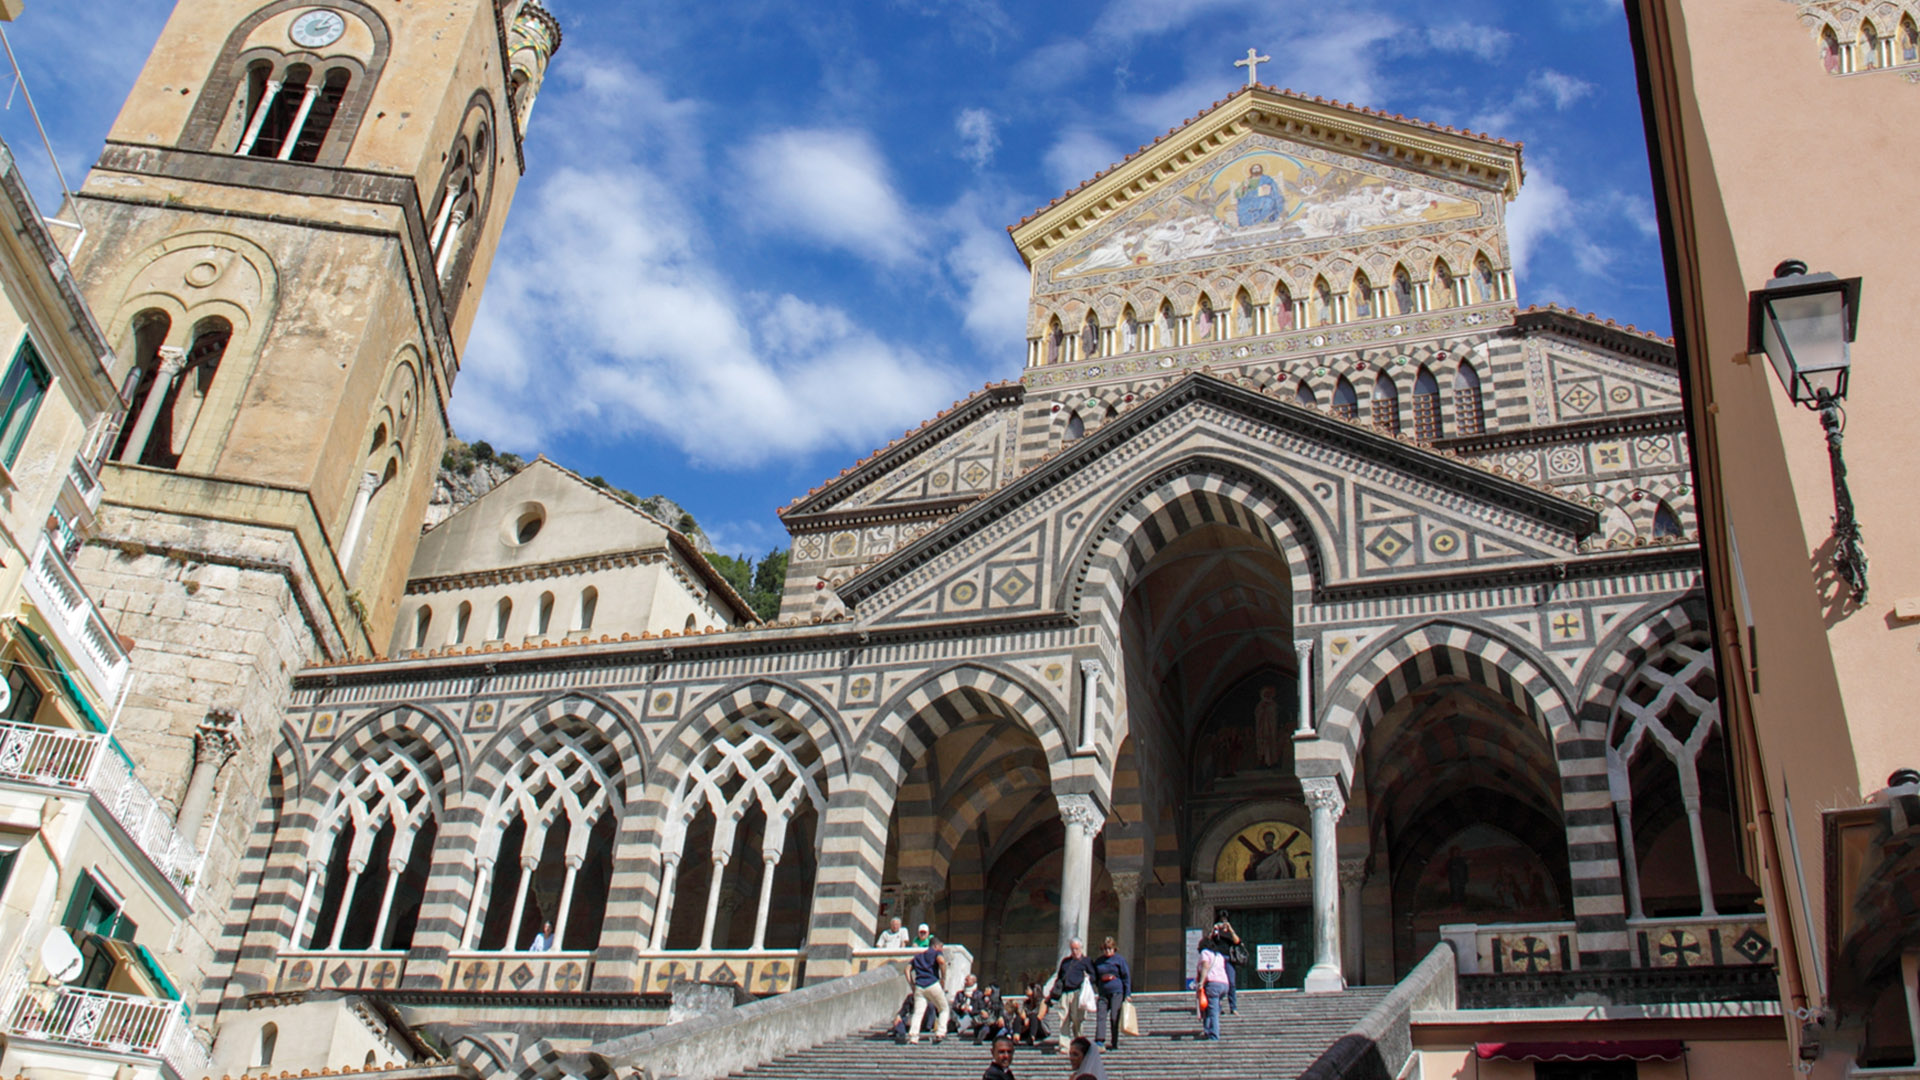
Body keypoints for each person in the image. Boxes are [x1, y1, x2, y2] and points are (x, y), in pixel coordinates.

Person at [1049, 937, 1097, 1040]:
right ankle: (1064, 1045)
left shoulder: (1086, 961)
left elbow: (1094, 977)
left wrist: (1088, 978)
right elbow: (1059, 977)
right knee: (1064, 1018)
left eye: (1076, 949)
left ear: (1081, 948)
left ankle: (1078, 1040)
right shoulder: (1065, 962)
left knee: (1076, 1018)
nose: (1074, 951)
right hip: (1065, 993)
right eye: (1072, 949)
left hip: (1078, 992)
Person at [906, 936, 950, 1044]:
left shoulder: (918, 956)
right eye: (941, 946)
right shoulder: (936, 953)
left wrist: (911, 983)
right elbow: (941, 961)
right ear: (935, 946)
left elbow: (907, 969)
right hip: (932, 983)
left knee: (918, 1012)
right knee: (944, 1009)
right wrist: (943, 977)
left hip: (919, 986)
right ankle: (940, 1032)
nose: (942, 949)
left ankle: (913, 1036)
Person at [1091, 936, 1131, 1051]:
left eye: (1109, 948)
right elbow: (1095, 976)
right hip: (1103, 992)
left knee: (1114, 1016)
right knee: (1101, 1016)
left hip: (1116, 992)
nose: (1107, 951)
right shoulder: (1099, 962)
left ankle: (1114, 1041)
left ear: (1114, 948)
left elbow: (1126, 977)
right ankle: (1099, 1041)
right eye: (1105, 949)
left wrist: (1127, 994)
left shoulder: (1119, 960)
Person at [1209, 918, 1244, 1016]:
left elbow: (1238, 942)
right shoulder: (1216, 934)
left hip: (1229, 959)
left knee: (1231, 983)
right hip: (1218, 960)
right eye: (1221, 923)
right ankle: (1218, 1007)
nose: (1223, 925)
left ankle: (1233, 1007)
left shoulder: (1230, 934)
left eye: (1225, 923)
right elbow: (1208, 941)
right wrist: (1214, 930)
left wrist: (1231, 929)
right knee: (1218, 982)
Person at [1196, 939, 1229, 1040]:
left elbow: (1206, 966)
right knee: (1211, 1008)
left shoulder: (1205, 953)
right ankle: (1207, 1030)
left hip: (1213, 984)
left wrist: (1201, 983)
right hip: (1224, 984)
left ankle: (1214, 1035)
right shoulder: (1219, 956)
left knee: (1213, 1011)